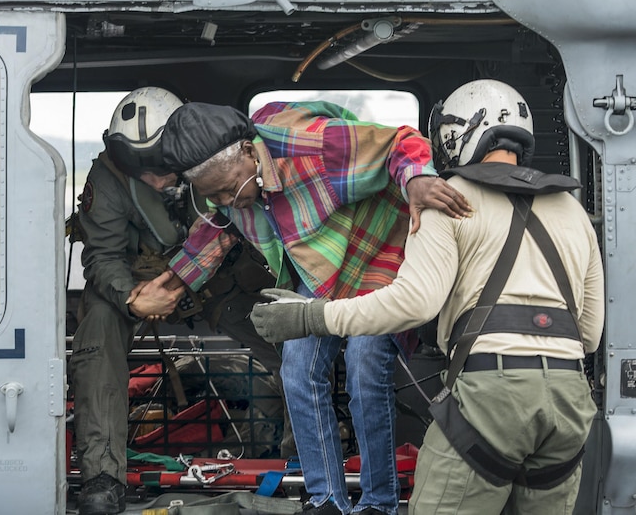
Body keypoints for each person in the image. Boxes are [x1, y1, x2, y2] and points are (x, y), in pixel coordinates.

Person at [250, 80, 605, 515]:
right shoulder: (572, 210)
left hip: (492, 400)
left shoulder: (449, 200)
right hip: (569, 406)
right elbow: (588, 334)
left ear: (453, 138)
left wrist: (312, 318)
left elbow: (413, 304)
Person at [160, 100, 471, 515]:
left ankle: (379, 503)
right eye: (211, 194)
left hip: (379, 250)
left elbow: (401, 142)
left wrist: (415, 179)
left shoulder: (311, 146)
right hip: (323, 263)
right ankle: (326, 498)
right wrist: (173, 282)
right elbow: (215, 229)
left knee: (364, 362)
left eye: (226, 188)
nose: (224, 200)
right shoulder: (230, 193)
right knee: (297, 366)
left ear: (250, 153)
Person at [69, 87, 289, 515]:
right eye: (140, 168)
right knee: (96, 331)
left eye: (159, 165)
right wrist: (133, 300)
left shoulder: (218, 162)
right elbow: (103, 255)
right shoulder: (109, 179)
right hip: (139, 286)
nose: (153, 179)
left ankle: (309, 458)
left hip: (218, 282)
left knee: (291, 331)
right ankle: (101, 476)